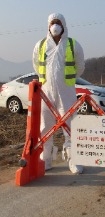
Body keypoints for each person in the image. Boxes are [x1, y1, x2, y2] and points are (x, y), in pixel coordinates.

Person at [32, 13, 85, 174]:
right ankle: (47, 159)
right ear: (48, 25)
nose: (55, 25)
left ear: (64, 24)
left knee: (70, 126)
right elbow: (36, 65)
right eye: (52, 22)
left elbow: (80, 67)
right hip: (46, 92)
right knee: (45, 127)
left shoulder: (72, 44)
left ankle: (73, 159)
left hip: (66, 92)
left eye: (58, 22)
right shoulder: (40, 45)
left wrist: (66, 81)